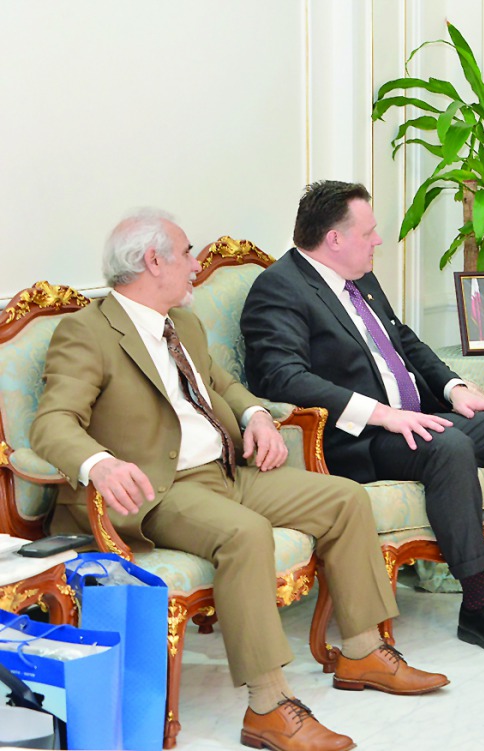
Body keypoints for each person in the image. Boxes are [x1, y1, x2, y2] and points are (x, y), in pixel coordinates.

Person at [31, 209, 448, 751]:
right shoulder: (87, 331)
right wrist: (100, 464)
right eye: (185, 253)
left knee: (344, 499)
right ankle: (269, 706)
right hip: (160, 490)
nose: (196, 263)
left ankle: (363, 651)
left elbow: (224, 384)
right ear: (153, 262)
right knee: (244, 533)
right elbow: (51, 422)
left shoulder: (184, 324)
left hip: (225, 471)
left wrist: (253, 416)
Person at [240, 180, 484, 657]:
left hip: (414, 419)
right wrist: (383, 415)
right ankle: (478, 604)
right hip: (356, 440)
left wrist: (455, 389)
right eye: (369, 232)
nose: (378, 241)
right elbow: (282, 378)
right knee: (449, 446)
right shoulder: (279, 289)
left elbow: (405, 342)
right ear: (334, 239)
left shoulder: (360, 280)